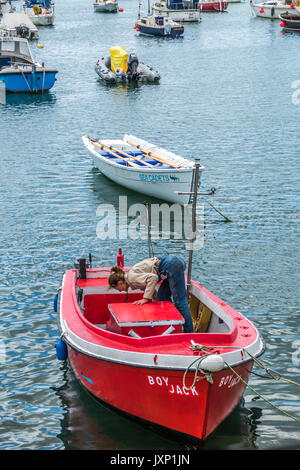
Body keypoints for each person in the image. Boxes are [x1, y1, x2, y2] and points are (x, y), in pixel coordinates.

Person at [108, 255, 194, 333]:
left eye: (117, 288)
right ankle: (172, 323)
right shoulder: (132, 280)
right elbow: (151, 290)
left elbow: (153, 278)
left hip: (171, 265)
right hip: (172, 263)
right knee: (162, 296)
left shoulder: (132, 278)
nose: (119, 291)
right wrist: (155, 308)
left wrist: (146, 298)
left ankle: (189, 332)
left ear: (119, 283)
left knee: (180, 301)